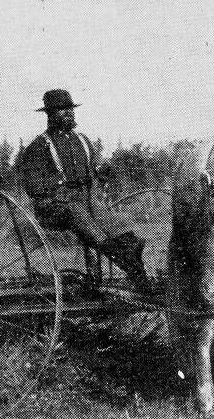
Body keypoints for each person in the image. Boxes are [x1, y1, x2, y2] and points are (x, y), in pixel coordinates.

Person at [16, 89, 154, 295]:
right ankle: (124, 259)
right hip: (54, 209)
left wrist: (102, 173)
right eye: (62, 110)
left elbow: (95, 172)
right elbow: (34, 187)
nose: (69, 113)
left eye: (70, 109)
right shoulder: (39, 147)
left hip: (87, 202)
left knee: (116, 224)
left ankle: (140, 277)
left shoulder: (82, 140)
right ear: (50, 115)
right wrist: (56, 194)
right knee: (80, 216)